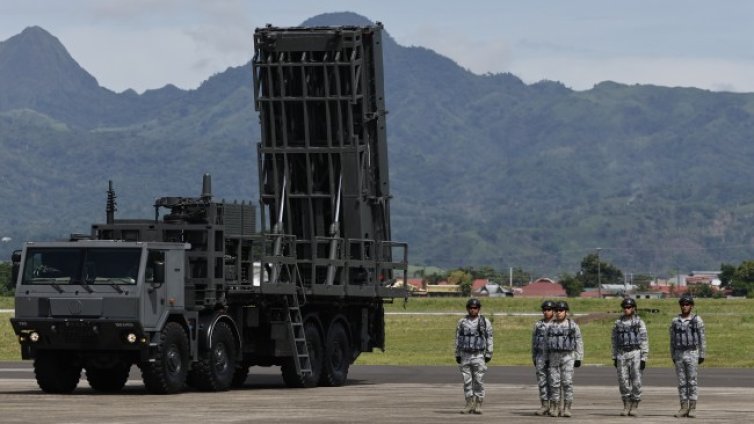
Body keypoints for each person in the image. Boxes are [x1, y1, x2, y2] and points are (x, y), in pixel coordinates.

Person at [544, 300, 583, 418]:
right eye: (556, 310)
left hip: (568, 356)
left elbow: (579, 341)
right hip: (553, 356)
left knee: (567, 382)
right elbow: (545, 344)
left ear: (566, 312)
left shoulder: (573, 326)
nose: (558, 313)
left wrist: (579, 357)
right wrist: (546, 358)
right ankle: (555, 407)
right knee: (554, 383)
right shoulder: (550, 326)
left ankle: (567, 408)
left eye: (561, 310)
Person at [670, 293, 706, 418]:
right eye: (683, 304)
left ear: (691, 306)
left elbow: (702, 338)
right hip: (679, 353)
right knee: (681, 381)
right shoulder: (675, 321)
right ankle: (683, 407)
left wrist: (702, 354)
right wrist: (673, 355)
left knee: (692, 381)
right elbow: (672, 340)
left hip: (692, 353)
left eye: (687, 304)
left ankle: (693, 408)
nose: (684, 306)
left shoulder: (697, 320)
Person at [455, 298, 493, 415]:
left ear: (479, 309)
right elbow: (457, 338)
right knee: (467, 381)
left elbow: (489, 338)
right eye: (471, 308)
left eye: (475, 308)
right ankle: (468, 403)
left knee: (479, 380)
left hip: (478, 355)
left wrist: (489, 353)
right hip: (465, 355)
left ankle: (478, 403)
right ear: (467, 309)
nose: (473, 310)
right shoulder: (462, 322)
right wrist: (457, 353)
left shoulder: (484, 322)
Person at [611, 297, 649, 416]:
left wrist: (644, 357)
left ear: (633, 308)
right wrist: (614, 357)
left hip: (635, 353)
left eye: (629, 307)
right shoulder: (618, 323)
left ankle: (635, 404)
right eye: (625, 307)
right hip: (622, 354)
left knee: (636, 381)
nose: (626, 309)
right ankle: (626, 404)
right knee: (623, 380)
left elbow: (644, 340)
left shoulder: (639, 322)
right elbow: (614, 341)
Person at [532, 299, 555, 415]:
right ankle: (544, 405)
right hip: (540, 356)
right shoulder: (538, 325)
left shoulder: (557, 324)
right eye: (544, 310)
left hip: (553, 357)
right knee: (542, 382)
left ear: (553, 311)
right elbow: (533, 342)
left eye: (549, 310)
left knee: (554, 382)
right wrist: (534, 357)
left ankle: (554, 406)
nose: (546, 312)